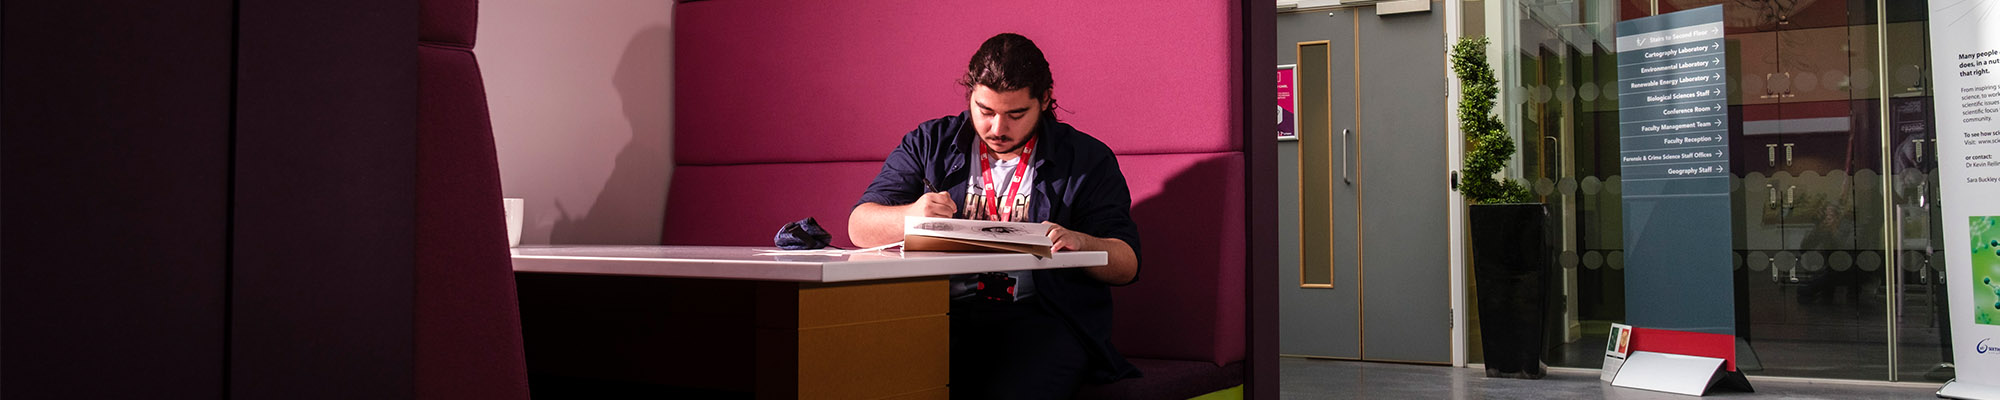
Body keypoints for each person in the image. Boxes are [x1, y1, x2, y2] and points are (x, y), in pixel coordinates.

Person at [848, 33, 1141, 399]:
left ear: (1046, 99)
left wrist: (1082, 243)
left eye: (1016, 114)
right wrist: (911, 215)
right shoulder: (929, 143)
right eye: (985, 111)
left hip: (1042, 319)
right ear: (970, 95)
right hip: (940, 313)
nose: (997, 129)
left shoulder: (1086, 158)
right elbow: (859, 225)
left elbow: (1127, 263)